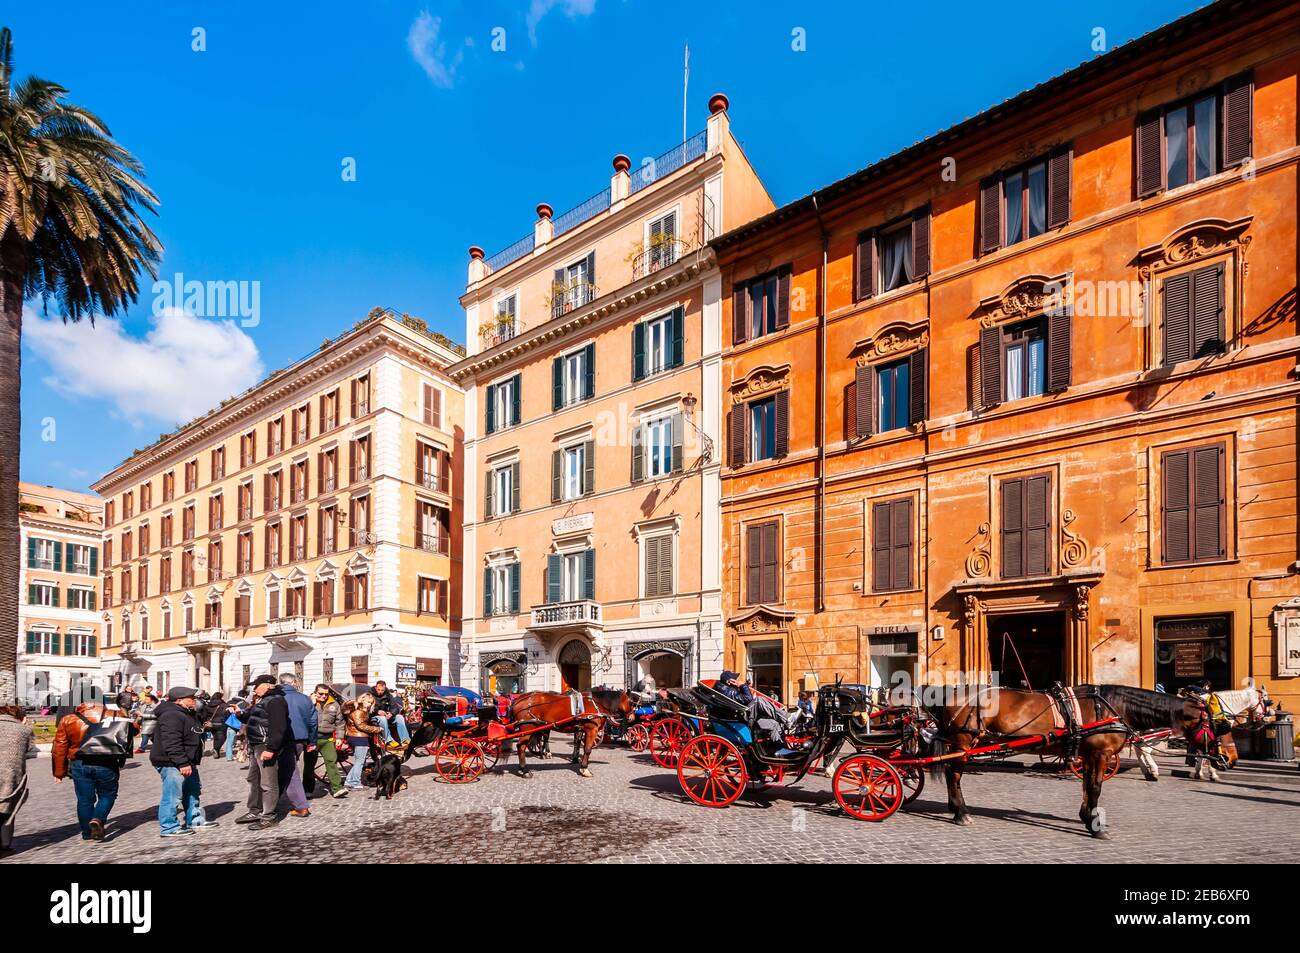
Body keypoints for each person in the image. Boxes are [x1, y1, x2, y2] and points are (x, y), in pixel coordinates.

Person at [51, 698, 135, 842]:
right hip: (107, 761)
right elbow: (133, 730)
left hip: (80, 763)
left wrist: (59, 772)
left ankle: (87, 833)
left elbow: (59, 747)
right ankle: (98, 818)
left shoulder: (69, 719)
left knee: (84, 800)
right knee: (108, 795)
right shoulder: (115, 715)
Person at [151, 686, 217, 838]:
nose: (195, 701)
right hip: (172, 762)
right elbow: (171, 741)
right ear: (179, 700)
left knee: (192, 790)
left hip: (188, 760)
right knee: (173, 795)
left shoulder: (186, 713)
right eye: (191, 698)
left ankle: (194, 819)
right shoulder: (171, 715)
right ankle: (169, 826)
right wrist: (181, 762)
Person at [233, 675, 291, 830]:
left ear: (267, 685)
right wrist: (240, 714)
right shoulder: (263, 699)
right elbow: (254, 718)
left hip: (265, 745)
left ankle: (269, 815)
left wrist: (272, 749)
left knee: (268, 783)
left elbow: (278, 727)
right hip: (256, 744)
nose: (254, 688)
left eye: (256, 685)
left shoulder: (276, 700)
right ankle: (255, 810)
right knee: (254, 779)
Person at [277, 673, 316, 818]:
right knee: (285, 770)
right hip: (301, 739)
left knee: (290, 771)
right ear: (293, 682)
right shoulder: (305, 698)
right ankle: (272, 801)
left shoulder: (277, 697)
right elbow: (313, 722)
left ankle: (301, 806)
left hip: (283, 739)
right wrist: (311, 741)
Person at [0, 705, 37, 856]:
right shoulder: (25, 731)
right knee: (7, 810)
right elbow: (29, 749)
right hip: (11, 775)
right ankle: (4, 845)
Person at [303, 685, 346, 799]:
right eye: (321, 694)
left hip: (327, 739)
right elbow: (303, 717)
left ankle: (337, 788)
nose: (324, 696)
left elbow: (340, 723)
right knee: (309, 765)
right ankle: (307, 790)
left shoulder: (334, 704)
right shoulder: (307, 702)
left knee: (332, 762)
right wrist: (311, 704)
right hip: (312, 739)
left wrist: (339, 738)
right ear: (315, 692)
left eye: (326, 694)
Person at [343, 693, 381, 790]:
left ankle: (349, 782)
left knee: (358, 761)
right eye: (368, 702)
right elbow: (361, 726)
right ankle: (355, 782)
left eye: (371, 703)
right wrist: (377, 729)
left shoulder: (360, 711)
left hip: (356, 737)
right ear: (362, 700)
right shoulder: (358, 712)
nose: (369, 704)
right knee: (359, 762)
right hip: (359, 737)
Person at [370, 681, 409, 748]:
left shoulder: (388, 695)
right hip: (373, 716)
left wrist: (391, 713)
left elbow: (395, 707)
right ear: (376, 687)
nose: (380, 692)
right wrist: (377, 711)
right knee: (382, 718)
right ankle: (389, 740)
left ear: (385, 689)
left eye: (382, 690)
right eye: (378, 689)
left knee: (399, 717)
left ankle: (405, 739)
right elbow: (366, 707)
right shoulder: (370, 695)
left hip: (386, 715)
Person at [202, 692, 228, 759]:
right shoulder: (223, 705)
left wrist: (205, 721)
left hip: (210, 724)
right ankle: (216, 749)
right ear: (220, 697)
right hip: (220, 724)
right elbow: (226, 714)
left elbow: (204, 715)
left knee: (216, 737)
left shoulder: (208, 705)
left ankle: (217, 753)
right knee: (222, 738)